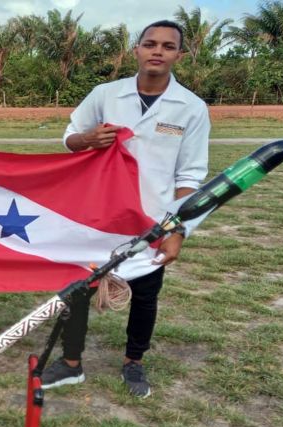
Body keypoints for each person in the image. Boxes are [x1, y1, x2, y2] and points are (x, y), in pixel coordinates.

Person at [40, 20, 210, 398]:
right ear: (136, 50)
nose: (157, 51)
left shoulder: (192, 108)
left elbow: (191, 175)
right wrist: (86, 139)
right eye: (150, 43)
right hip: (97, 214)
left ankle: (134, 362)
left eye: (168, 46)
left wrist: (177, 230)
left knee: (146, 294)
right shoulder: (106, 94)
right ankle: (70, 364)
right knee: (79, 288)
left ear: (179, 55)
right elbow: (69, 137)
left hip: (153, 220)